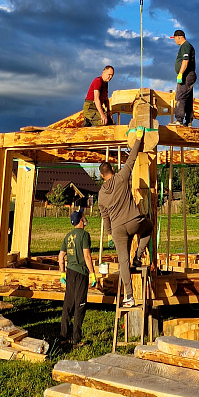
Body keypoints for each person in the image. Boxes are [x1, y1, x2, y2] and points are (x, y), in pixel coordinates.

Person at [98, 132, 152, 308]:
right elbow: (132, 159)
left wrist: (109, 233)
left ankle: (129, 296)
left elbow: (105, 216)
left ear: (102, 176)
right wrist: (138, 139)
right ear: (112, 170)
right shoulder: (121, 178)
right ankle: (138, 256)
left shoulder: (101, 195)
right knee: (149, 226)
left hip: (117, 229)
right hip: (133, 221)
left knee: (123, 261)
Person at [58, 208, 96, 348]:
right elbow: (86, 255)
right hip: (81, 273)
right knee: (80, 305)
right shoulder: (84, 235)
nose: (85, 219)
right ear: (81, 220)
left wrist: (62, 272)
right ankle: (76, 340)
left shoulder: (68, 236)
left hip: (70, 272)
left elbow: (61, 256)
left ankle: (63, 337)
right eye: (83, 217)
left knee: (68, 304)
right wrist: (92, 273)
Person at [171, 29, 197, 127]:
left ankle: (179, 120)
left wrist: (180, 74)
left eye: (174, 38)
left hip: (186, 75)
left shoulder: (185, 46)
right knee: (188, 98)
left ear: (178, 37)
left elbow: (185, 61)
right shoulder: (186, 46)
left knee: (181, 96)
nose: (174, 40)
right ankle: (188, 121)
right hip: (189, 75)